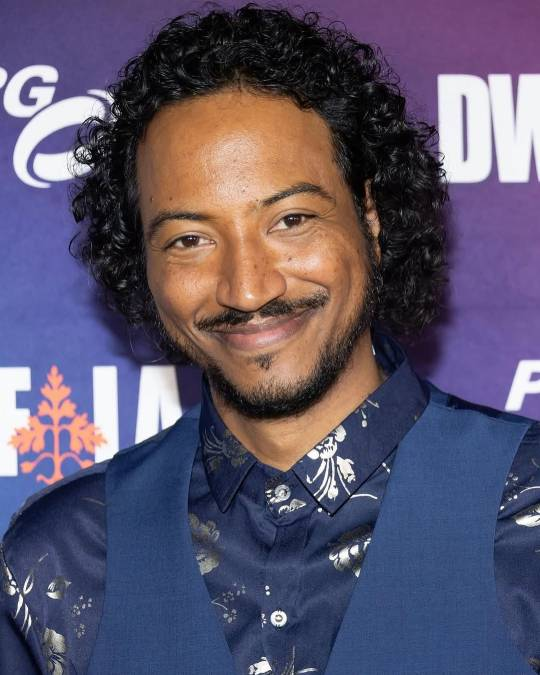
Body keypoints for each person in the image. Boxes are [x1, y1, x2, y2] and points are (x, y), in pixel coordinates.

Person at [1, 4, 539, 674]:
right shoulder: (61, 557)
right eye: (190, 239)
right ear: (140, 259)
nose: (248, 288)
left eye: (290, 219)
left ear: (370, 215)